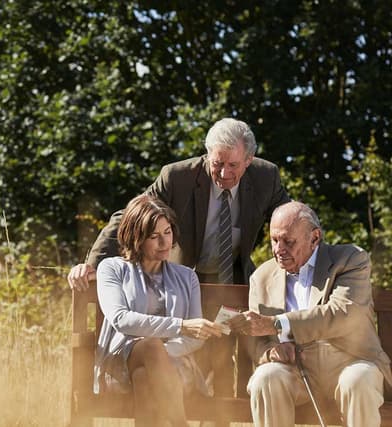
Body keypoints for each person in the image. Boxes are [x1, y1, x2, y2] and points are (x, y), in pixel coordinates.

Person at [68, 117, 289, 291]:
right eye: (217, 163)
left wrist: (316, 259)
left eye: (233, 165)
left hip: (235, 277)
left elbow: (292, 220)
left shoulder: (265, 177)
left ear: (248, 160)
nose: (224, 173)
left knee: (234, 341)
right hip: (180, 277)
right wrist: (94, 264)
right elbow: (130, 217)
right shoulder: (176, 178)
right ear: (207, 154)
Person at [230, 201, 392, 427]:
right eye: (274, 240)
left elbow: (342, 313)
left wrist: (277, 324)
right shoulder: (262, 276)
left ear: (315, 238)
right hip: (295, 370)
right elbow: (258, 340)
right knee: (265, 378)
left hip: (350, 361)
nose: (278, 249)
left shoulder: (350, 259)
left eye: (288, 241)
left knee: (358, 381)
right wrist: (271, 353)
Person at [94, 194, 224, 427]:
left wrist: (161, 357)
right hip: (120, 365)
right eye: (154, 236)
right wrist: (181, 326)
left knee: (144, 378)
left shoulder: (187, 277)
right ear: (136, 238)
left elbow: (196, 339)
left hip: (175, 365)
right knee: (151, 346)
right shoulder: (111, 269)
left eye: (167, 232)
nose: (165, 242)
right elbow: (121, 319)